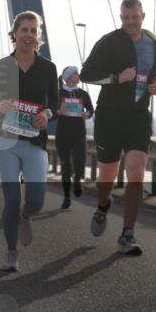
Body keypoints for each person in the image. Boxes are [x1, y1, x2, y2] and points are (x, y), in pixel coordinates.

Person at [80, 0, 156, 255]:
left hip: (138, 116)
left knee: (136, 169)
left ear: (143, 16)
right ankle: (103, 204)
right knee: (107, 174)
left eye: (134, 17)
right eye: (125, 17)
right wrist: (116, 78)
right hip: (109, 116)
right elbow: (86, 74)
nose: (130, 22)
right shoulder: (109, 41)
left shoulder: (155, 44)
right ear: (121, 17)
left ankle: (127, 234)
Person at [0, 11, 57, 272]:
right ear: (14, 33)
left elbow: (55, 102)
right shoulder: (1, 67)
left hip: (35, 141)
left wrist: (47, 113)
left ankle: (27, 216)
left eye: (33, 30)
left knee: (35, 200)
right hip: (5, 142)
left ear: (38, 36)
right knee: (12, 199)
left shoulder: (48, 68)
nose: (28, 35)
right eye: (24, 30)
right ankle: (11, 253)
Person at [55, 66, 93, 209]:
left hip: (78, 132)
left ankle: (77, 179)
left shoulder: (83, 93)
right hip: (63, 132)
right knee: (66, 165)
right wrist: (59, 110)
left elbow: (90, 109)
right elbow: (52, 110)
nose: (78, 75)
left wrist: (87, 114)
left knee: (80, 161)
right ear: (69, 76)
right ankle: (66, 197)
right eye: (76, 73)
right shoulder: (59, 93)